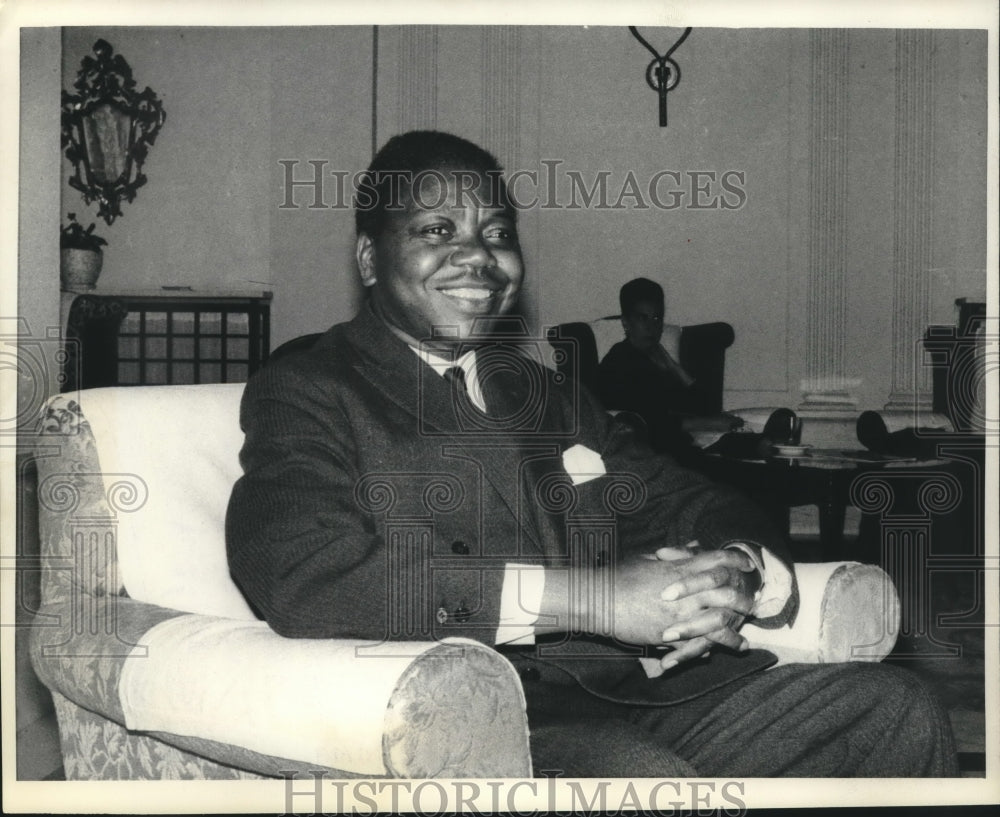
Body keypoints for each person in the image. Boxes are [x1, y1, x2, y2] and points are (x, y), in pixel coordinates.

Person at [225, 130, 956, 777]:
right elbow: (302, 570)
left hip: (647, 690)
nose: (477, 255)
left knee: (893, 711)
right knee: (641, 775)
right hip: (484, 718)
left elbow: (685, 496)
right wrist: (598, 600)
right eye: (437, 228)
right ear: (370, 258)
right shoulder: (309, 387)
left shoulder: (550, 395)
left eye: (498, 231)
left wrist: (738, 570)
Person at [597, 277, 742, 454]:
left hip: (681, 445)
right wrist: (709, 423)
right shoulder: (619, 360)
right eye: (643, 318)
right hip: (647, 453)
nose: (652, 327)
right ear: (626, 322)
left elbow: (707, 406)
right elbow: (648, 420)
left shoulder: (655, 359)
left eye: (657, 318)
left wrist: (674, 367)